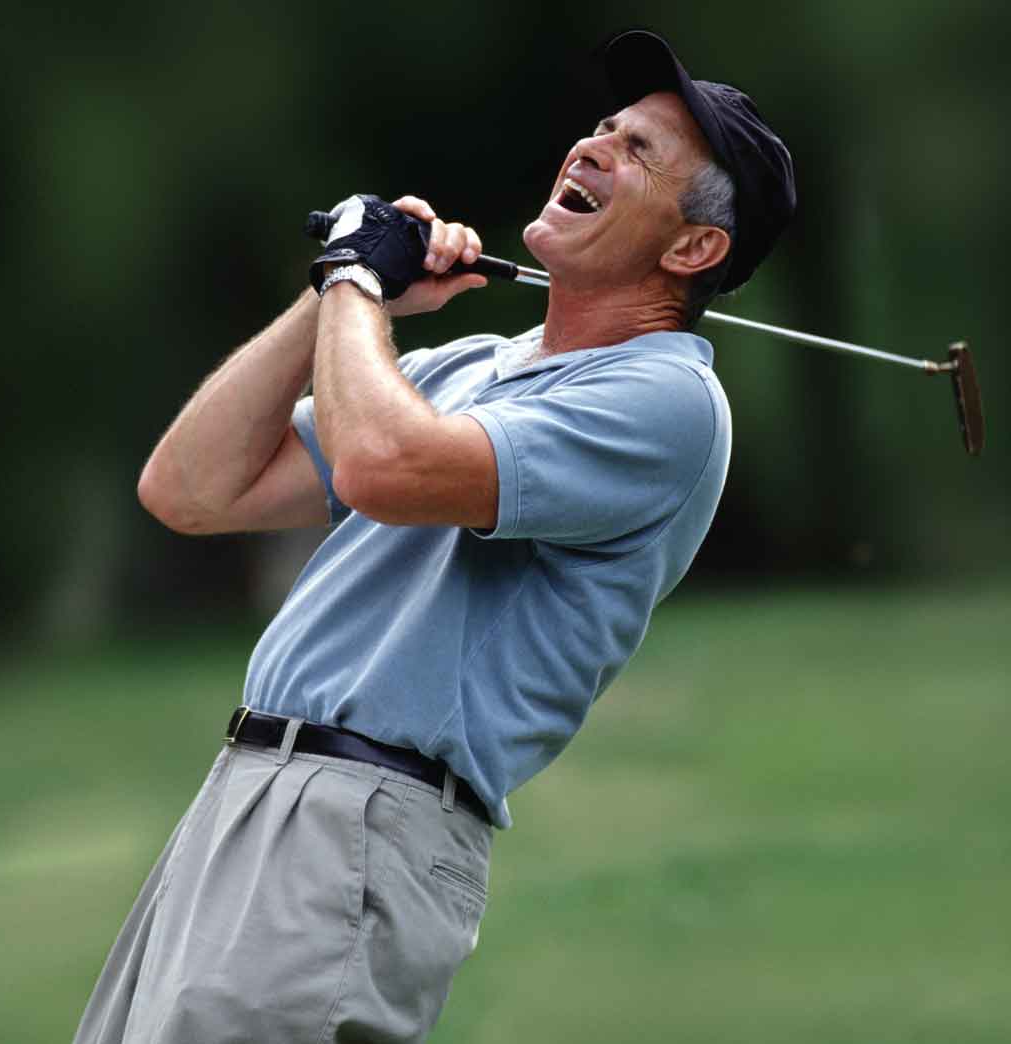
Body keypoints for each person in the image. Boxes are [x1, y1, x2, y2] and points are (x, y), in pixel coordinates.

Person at [74, 30, 796, 1044]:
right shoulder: (468, 364)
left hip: (362, 822)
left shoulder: (665, 401)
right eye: (601, 128)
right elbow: (190, 487)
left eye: (638, 152)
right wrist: (333, 287)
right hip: (242, 799)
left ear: (691, 249)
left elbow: (384, 468)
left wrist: (360, 294)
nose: (591, 148)